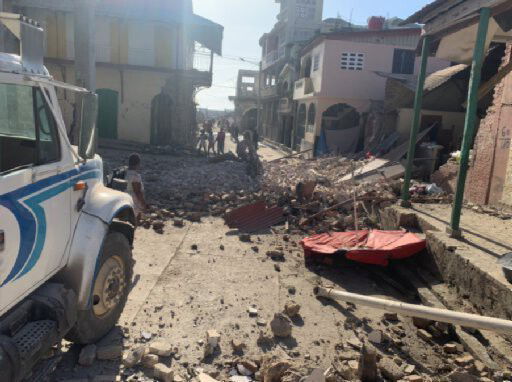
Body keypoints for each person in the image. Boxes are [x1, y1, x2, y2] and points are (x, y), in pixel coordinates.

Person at [126, 153, 148, 221]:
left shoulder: (125, 173)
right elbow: (137, 192)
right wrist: (144, 204)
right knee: (135, 220)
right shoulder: (135, 176)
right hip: (134, 201)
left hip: (125, 199)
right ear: (138, 164)